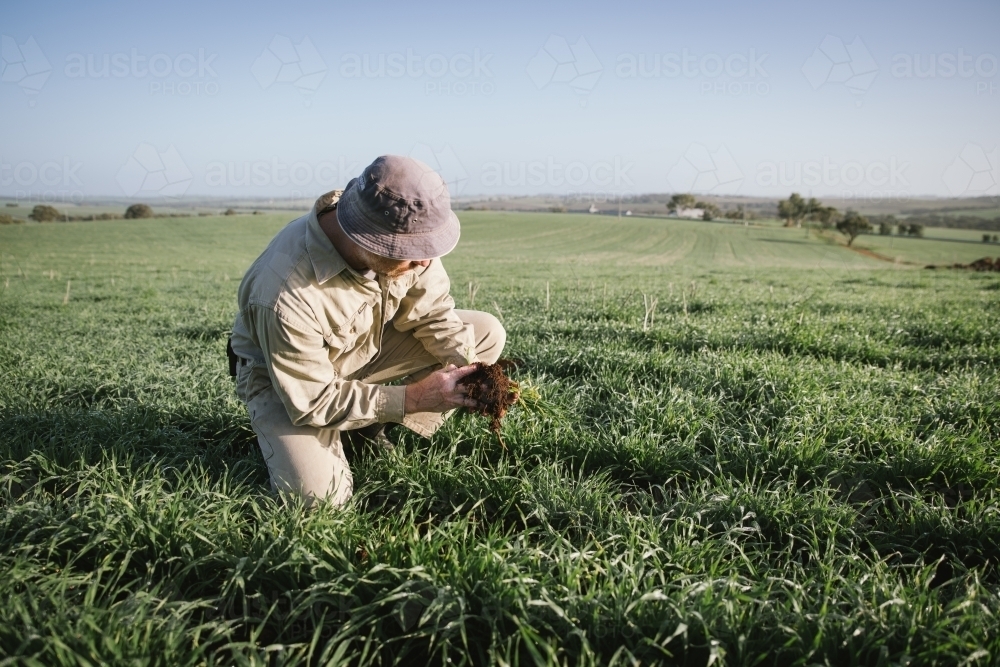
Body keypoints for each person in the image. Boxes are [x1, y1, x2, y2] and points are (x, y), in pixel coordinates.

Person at [228, 155, 506, 506]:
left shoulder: (407, 241)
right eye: (410, 252)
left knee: (484, 333)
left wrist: (472, 369)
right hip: (290, 385)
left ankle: (366, 427)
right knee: (319, 500)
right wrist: (414, 398)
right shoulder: (284, 293)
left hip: (363, 349)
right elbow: (313, 398)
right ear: (368, 239)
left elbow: (433, 312)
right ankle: (307, 433)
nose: (424, 261)